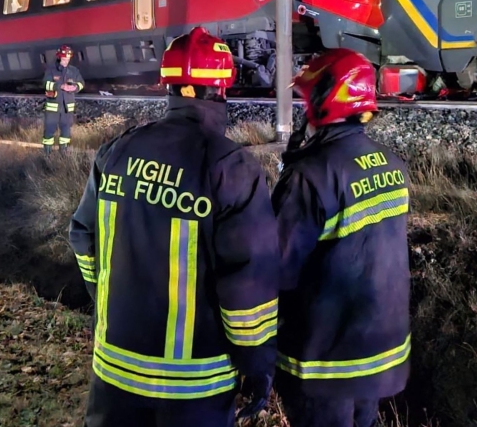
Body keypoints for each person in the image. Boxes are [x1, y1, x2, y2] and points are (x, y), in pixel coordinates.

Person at [68, 26, 279, 427]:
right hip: (194, 387)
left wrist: (105, 302)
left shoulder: (117, 151)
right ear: (221, 90)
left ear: (168, 86)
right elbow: (248, 286)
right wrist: (257, 364)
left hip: (114, 372)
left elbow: (82, 238)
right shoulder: (231, 168)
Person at [272, 48, 412, 427]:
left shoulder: (311, 175)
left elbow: (277, 268)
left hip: (327, 362)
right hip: (382, 352)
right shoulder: (393, 164)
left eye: (305, 100)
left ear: (323, 102)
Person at [42, 45, 84, 154]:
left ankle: (63, 154)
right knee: (49, 132)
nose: (66, 61)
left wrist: (75, 87)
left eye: (68, 59)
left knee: (66, 132)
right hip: (53, 108)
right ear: (59, 57)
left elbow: (81, 83)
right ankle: (47, 154)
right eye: (64, 59)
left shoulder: (74, 71)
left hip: (67, 108)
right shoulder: (51, 70)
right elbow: (45, 84)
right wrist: (60, 86)